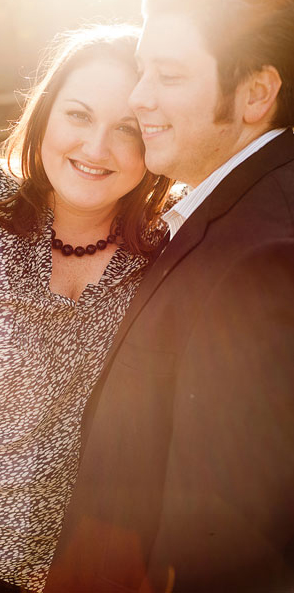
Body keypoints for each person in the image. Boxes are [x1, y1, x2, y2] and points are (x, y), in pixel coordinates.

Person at [0, 24, 171, 593]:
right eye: (79, 115)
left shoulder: (170, 248)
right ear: (45, 115)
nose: (95, 149)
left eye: (128, 129)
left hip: (89, 575)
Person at [44, 1, 294, 591]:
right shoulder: (230, 211)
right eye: (143, 69)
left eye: (170, 74)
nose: (138, 96)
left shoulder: (262, 253)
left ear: (256, 94)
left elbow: (229, 537)